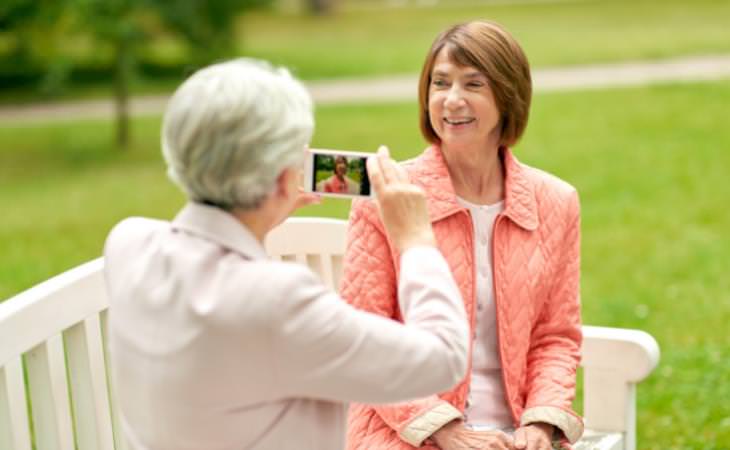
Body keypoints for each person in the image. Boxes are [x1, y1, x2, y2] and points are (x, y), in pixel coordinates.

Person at [103, 58, 470, 450]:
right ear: (281, 178)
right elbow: (444, 357)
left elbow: (215, 271)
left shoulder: (128, 243)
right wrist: (414, 236)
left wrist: (264, 211)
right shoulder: (279, 302)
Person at [342, 20, 583, 450]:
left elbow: (555, 336)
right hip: (406, 430)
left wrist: (540, 424)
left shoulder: (556, 201)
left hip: (518, 434)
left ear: (508, 95)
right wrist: (445, 430)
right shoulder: (389, 195)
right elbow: (364, 337)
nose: (452, 101)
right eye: (440, 83)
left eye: (473, 84)